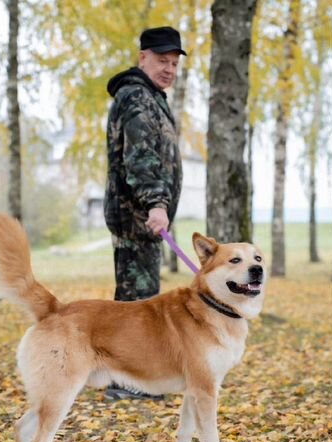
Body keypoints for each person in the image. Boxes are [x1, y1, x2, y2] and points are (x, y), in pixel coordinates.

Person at [103, 26, 186, 400]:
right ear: (143, 58)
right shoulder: (136, 96)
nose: (168, 68)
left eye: (173, 63)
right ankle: (126, 384)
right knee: (136, 307)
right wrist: (156, 203)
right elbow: (139, 158)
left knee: (138, 300)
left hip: (144, 218)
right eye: (161, 60)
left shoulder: (153, 97)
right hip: (137, 216)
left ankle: (130, 380)